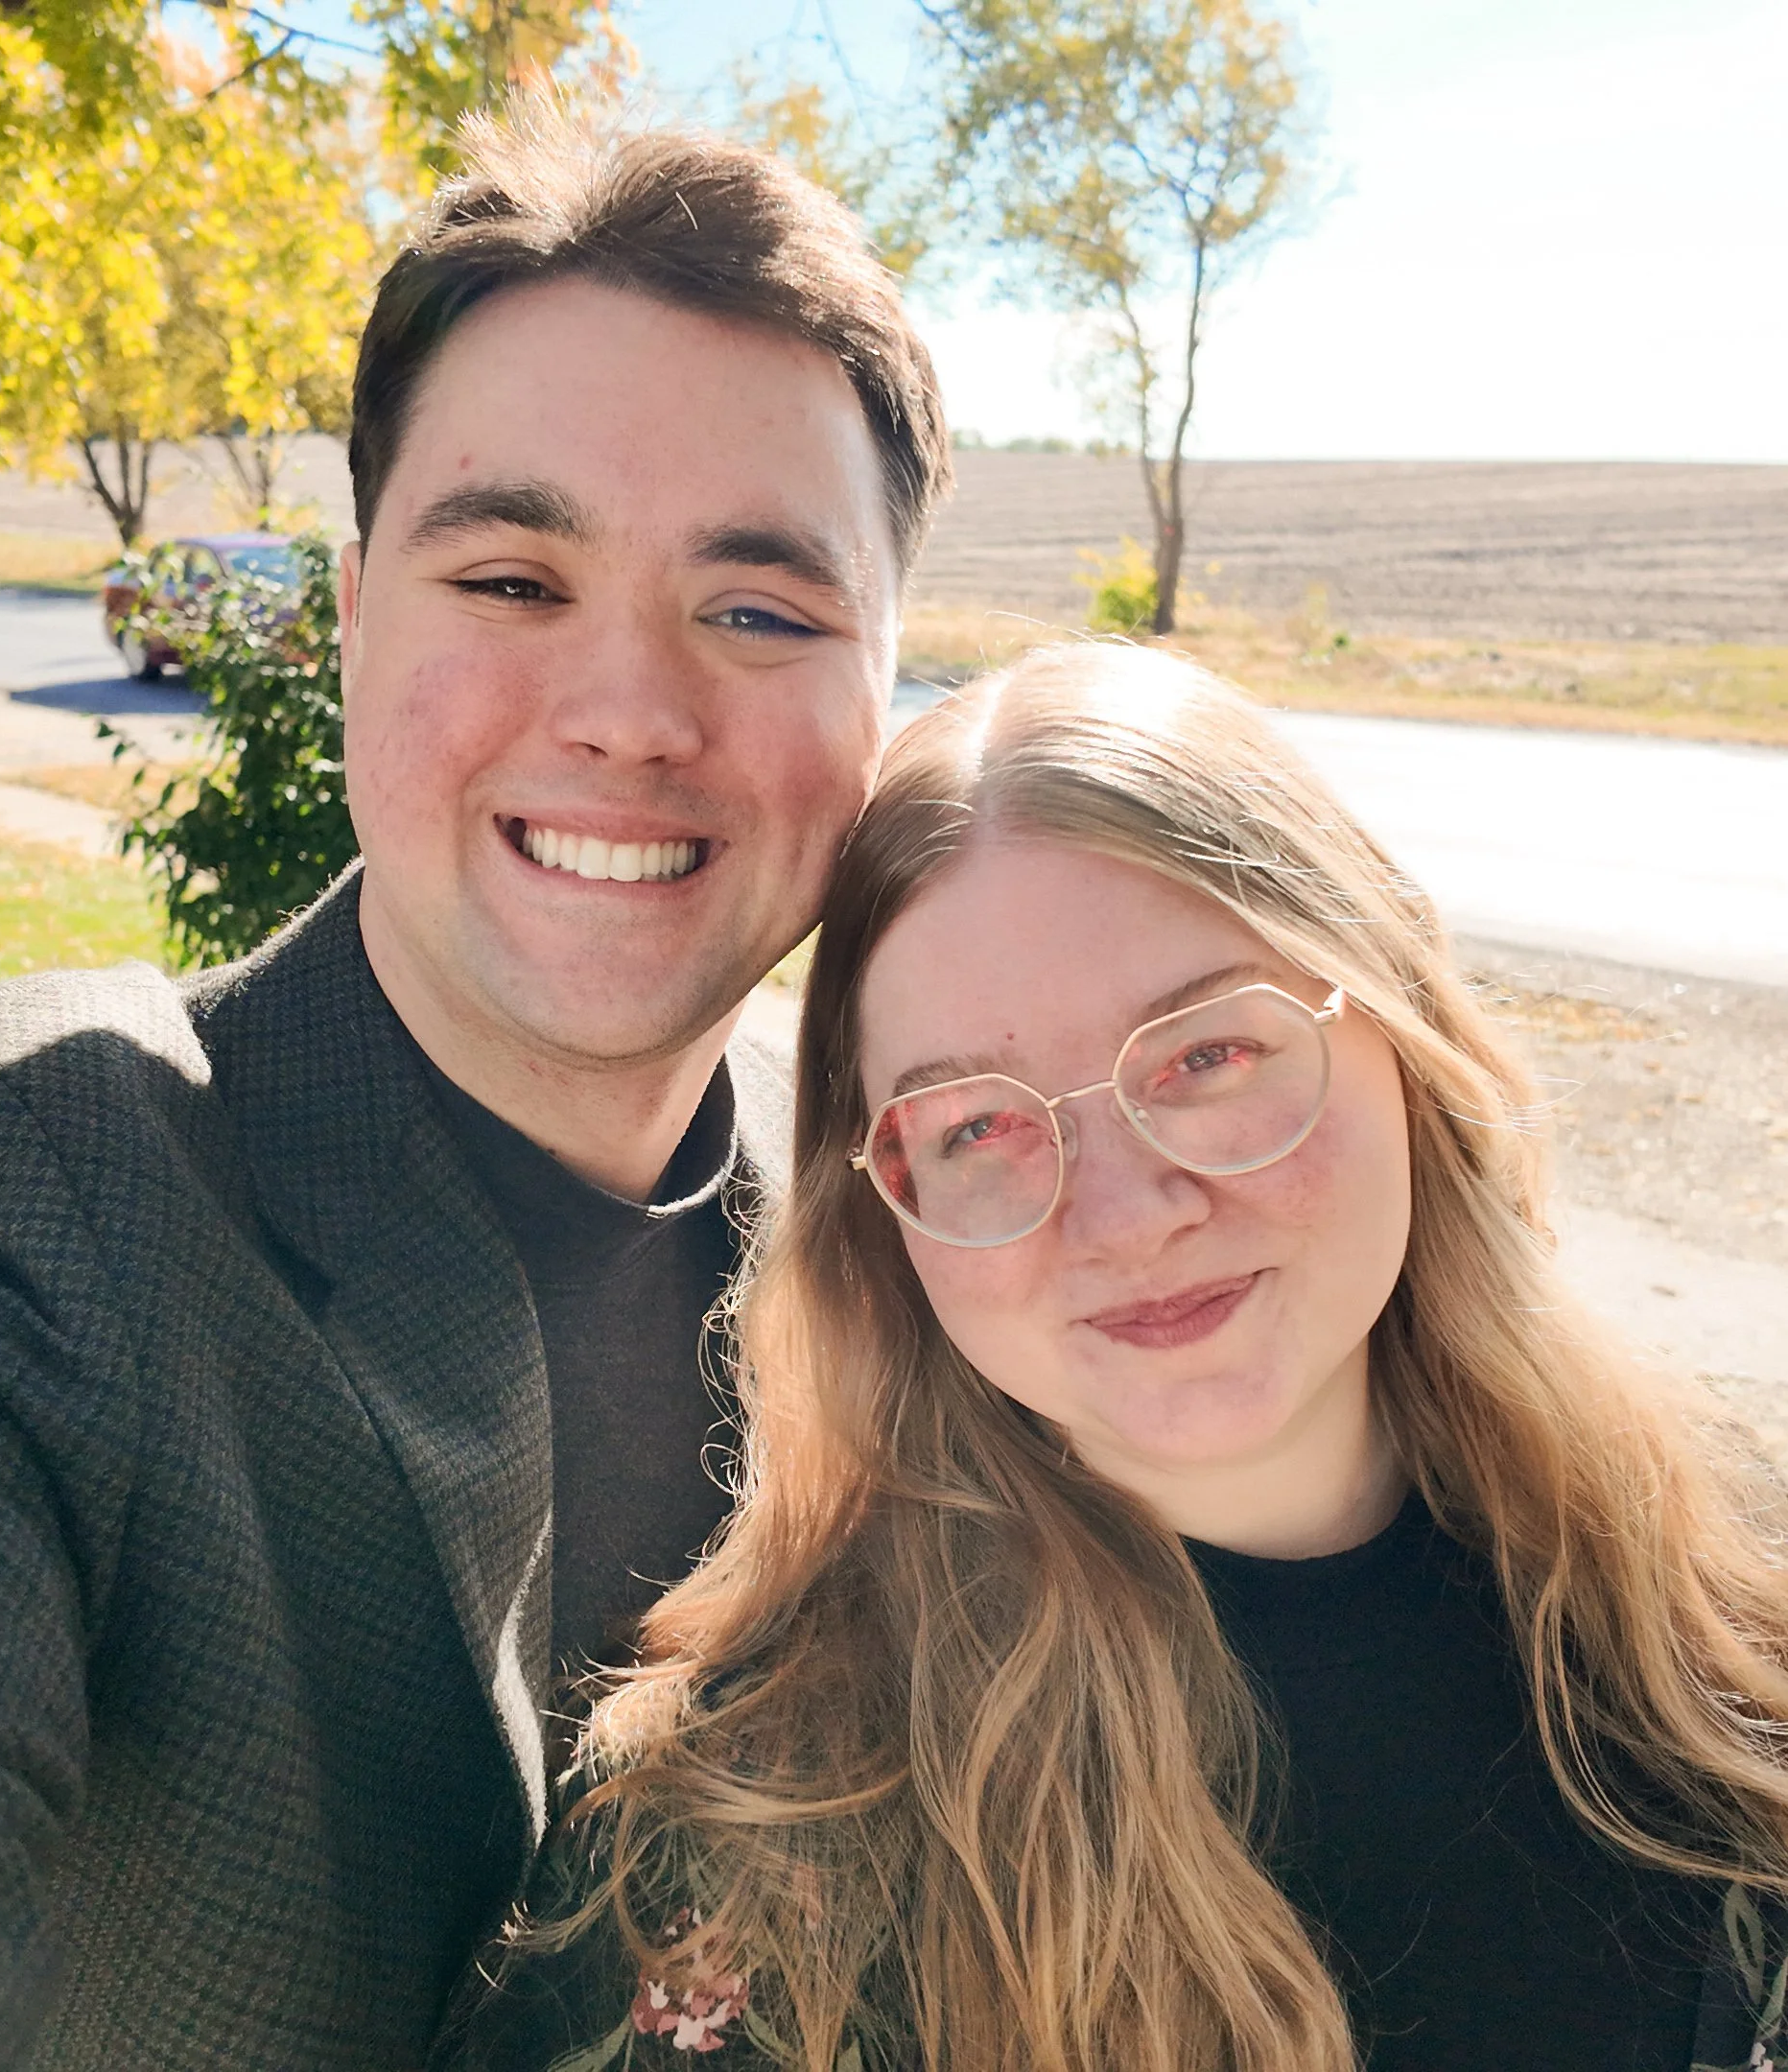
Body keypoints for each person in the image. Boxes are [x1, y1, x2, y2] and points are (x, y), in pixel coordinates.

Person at [0, 100, 949, 2070]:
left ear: (886, 691)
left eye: (759, 611)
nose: (628, 714)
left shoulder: (920, 1253)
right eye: (512, 580)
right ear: (355, 622)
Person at [450, 642, 1788, 2072]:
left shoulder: (1737, 1612)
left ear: (1400, 1027)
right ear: (885, 1212)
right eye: (976, 1125)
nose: (1125, 1217)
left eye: (1205, 1057)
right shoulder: (739, 1853)